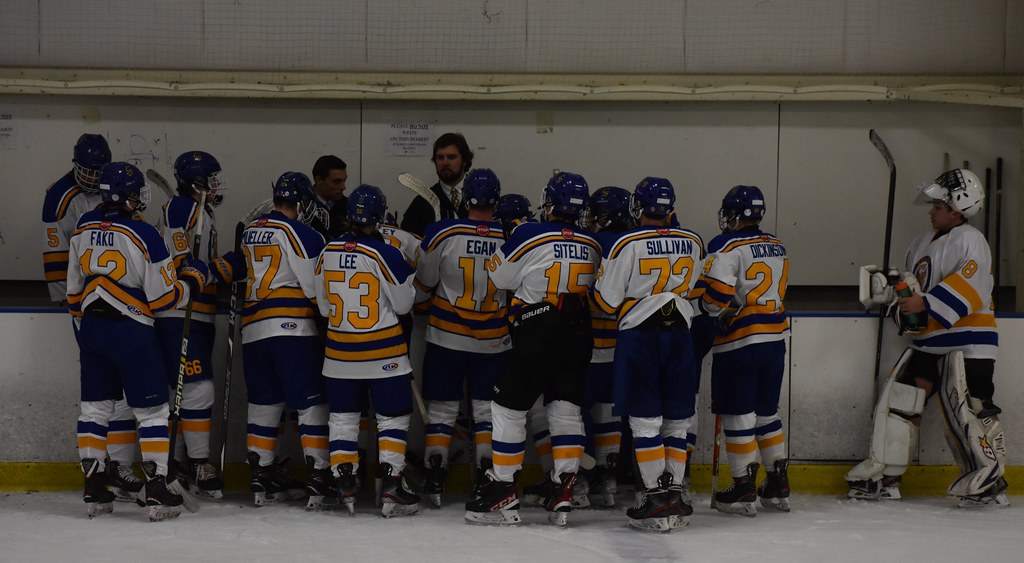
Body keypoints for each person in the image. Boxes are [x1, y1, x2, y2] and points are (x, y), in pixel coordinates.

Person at [847, 168, 1006, 507]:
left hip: (970, 343)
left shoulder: (971, 240)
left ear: (958, 209)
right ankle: (888, 478)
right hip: (930, 342)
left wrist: (926, 302)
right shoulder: (920, 242)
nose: (931, 210)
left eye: (938, 205)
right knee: (902, 403)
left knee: (975, 410)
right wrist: (894, 298)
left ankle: (991, 478)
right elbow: (911, 293)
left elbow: (968, 288)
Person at [67, 161, 207, 521]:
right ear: (128, 197)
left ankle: (94, 486)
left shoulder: (82, 226)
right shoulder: (145, 235)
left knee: (95, 410)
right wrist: (191, 279)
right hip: (131, 332)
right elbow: (164, 300)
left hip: (93, 330)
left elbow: (73, 291)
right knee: (152, 412)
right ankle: (158, 488)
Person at [466, 171, 599, 527]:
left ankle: (503, 490)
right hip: (580, 332)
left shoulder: (528, 232)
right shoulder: (593, 241)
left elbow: (499, 278)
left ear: (550, 201)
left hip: (540, 328)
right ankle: (564, 488)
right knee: (566, 409)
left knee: (507, 406)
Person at [592, 177, 704, 531]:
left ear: (637, 208)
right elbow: (698, 291)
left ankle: (656, 495)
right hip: (681, 336)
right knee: (676, 421)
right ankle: (675, 495)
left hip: (640, 337)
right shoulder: (693, 240)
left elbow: (606, 301)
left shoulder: (627, 242)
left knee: (645, 422)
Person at [42, 134, 144, 502]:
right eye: (85, 169)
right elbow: (56, 254)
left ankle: (107, 469)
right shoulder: (59, 196)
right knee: (106, 394)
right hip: (91, 306)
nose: (90, 176)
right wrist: (66, 304)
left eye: (97, 170)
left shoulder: (113, 191)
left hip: (108, 306)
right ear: (74, 165)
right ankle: (109, 467)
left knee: (109, 395)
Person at [314, 184, 420, 517]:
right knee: (392, 420)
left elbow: (324, 307)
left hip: (339, 356)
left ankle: (344, 481)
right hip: (384, 355)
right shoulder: (386, 253)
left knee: (343, 420)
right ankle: (392, 485)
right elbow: (404, 306)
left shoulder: (327, 250)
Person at [415, 168, 511, 507]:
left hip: (446, 339)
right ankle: (487, 478)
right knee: (487, 414)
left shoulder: (441, 232)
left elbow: (422, 288)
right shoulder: (511, 236)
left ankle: (436, 478)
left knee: (441, 412)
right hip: (494, 342)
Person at [239, 172, 334, 509]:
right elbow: (315, 291)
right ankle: (321, 475)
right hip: (292, 330)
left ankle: (261, 474)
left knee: (264, 403)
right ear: (302, 201)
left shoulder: (251, 229)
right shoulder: (304, 233)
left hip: (253, 331)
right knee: (311, 403)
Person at [155, 150, 245, 500]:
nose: (217, 184)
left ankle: (178, 460)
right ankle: (197, 462)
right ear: (196, 182)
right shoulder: (182, 208)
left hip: (198, 311)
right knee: (195, 387)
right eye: (212, 178)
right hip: (180, 311)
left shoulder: (199, 211)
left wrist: (217, 268)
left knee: (186, 390)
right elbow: (183, 264)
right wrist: (223, 267)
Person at [696, 185, 791, 516]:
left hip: (740, 342)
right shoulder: (777, 244)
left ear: (733, 214)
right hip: (775, 340)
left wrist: (709, 309)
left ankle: (742, 485)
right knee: (767, 413)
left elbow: (719, 293)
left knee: (738, 414)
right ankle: (778, 481)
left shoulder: (725, 244)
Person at [579, 186, 636, 508]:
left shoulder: (593, 243)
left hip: (591, 343)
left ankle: (585, 478)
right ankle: (610, 473)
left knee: (577, 410)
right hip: (623, 345)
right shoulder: (634, 243)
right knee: (610, 411)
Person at [400, 132, 473, 236]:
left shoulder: (484, 198)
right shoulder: (422, 202)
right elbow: (407, 242)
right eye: (440, 157)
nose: (445, 163)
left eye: (451, 157)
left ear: (464, 161)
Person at [306, 155, 349, 240]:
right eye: (337, 182)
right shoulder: (302, 208)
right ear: (319, 180)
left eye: (344, 181)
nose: (343, 187)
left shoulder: (349, 207)